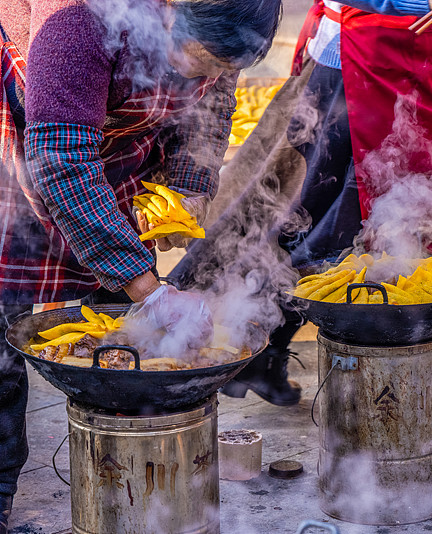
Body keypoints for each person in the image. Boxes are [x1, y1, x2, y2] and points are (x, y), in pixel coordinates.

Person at [0, 1, 282, 531]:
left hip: (118, 149)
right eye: (207, 60)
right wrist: (148, 287)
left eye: (230, 64)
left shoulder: (220, 25)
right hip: (29, 143)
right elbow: (59, 164)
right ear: (172, 15)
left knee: (130, 344)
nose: (218, 76)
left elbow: (216, 104)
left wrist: (189, 184)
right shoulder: (76, 25)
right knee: (1, 352)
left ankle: (131, 487)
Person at [170, 0, 432, 459]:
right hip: (358, 59)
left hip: (424, 56)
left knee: (431, 220)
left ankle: (269, 350)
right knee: (323, 226)